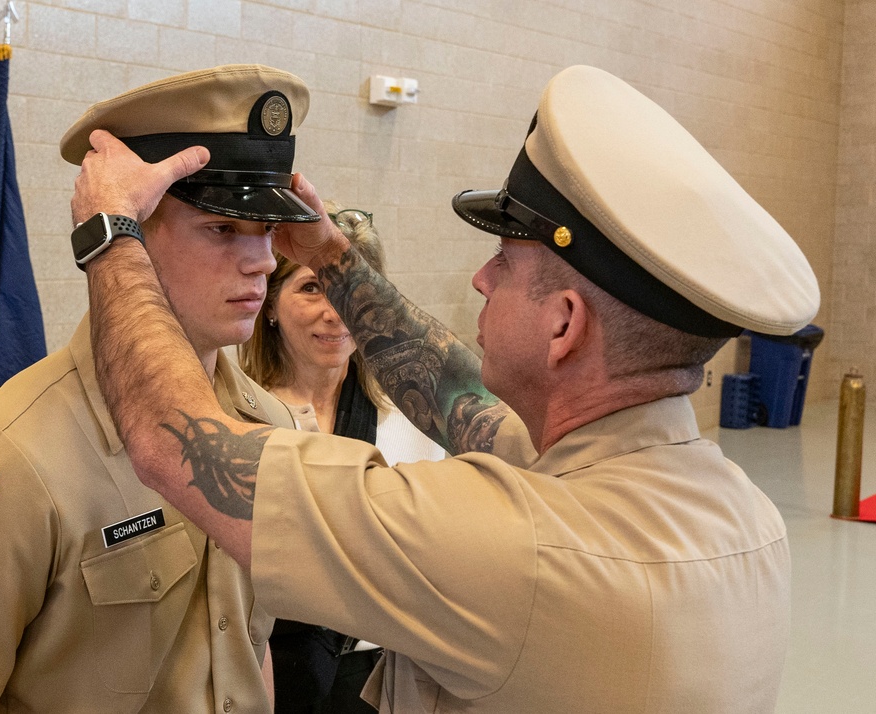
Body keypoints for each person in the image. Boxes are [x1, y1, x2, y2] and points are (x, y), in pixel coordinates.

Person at [71, 65, 820, 713]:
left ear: (564, 326)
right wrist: (332, 255)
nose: (480, 278)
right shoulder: (729, 506)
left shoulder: (515, 550)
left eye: (505, 263)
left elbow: (177, 442)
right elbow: (462, 398)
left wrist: (111, 235)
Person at [0, 64, 315, 713]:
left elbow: (249, 646)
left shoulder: (267, 423)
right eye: (221, 230)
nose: (263, 261)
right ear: (131, 230)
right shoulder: (9, 458)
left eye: (269, 232)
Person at [239, 204, 444, 713]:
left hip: (383, 676)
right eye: (311, 287)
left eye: (352, 289)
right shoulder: (237, 421)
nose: (336, 311)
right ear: (269, 300)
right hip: (264, 669)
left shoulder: (413, 424)